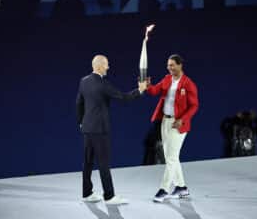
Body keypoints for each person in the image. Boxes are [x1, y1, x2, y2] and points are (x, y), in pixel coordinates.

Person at [76, 55, 147, 204]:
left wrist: (81, 122)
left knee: (87, 162)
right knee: (103, 163)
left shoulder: (84, 81)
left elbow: (79, 103)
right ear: (100, 66)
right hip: (100, 130)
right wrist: (139, 90)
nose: (108, 67)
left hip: (87, 128)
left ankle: (86, 193)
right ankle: (109, 196)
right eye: (107, 65)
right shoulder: (102, 84)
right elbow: (123, 97)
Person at [146, 54, 199, 203]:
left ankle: (163, 189)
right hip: (165, 121)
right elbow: (155, 91)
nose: (169, 68)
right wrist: (148, 86)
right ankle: (182, 188)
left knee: (171, 158)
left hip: (178, 124)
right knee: (171, 157)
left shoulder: (188, 84)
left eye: (172, 65)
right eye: (168, 65)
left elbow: (194, 106)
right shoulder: (167, 79)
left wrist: (182, 119)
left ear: (180, 65)